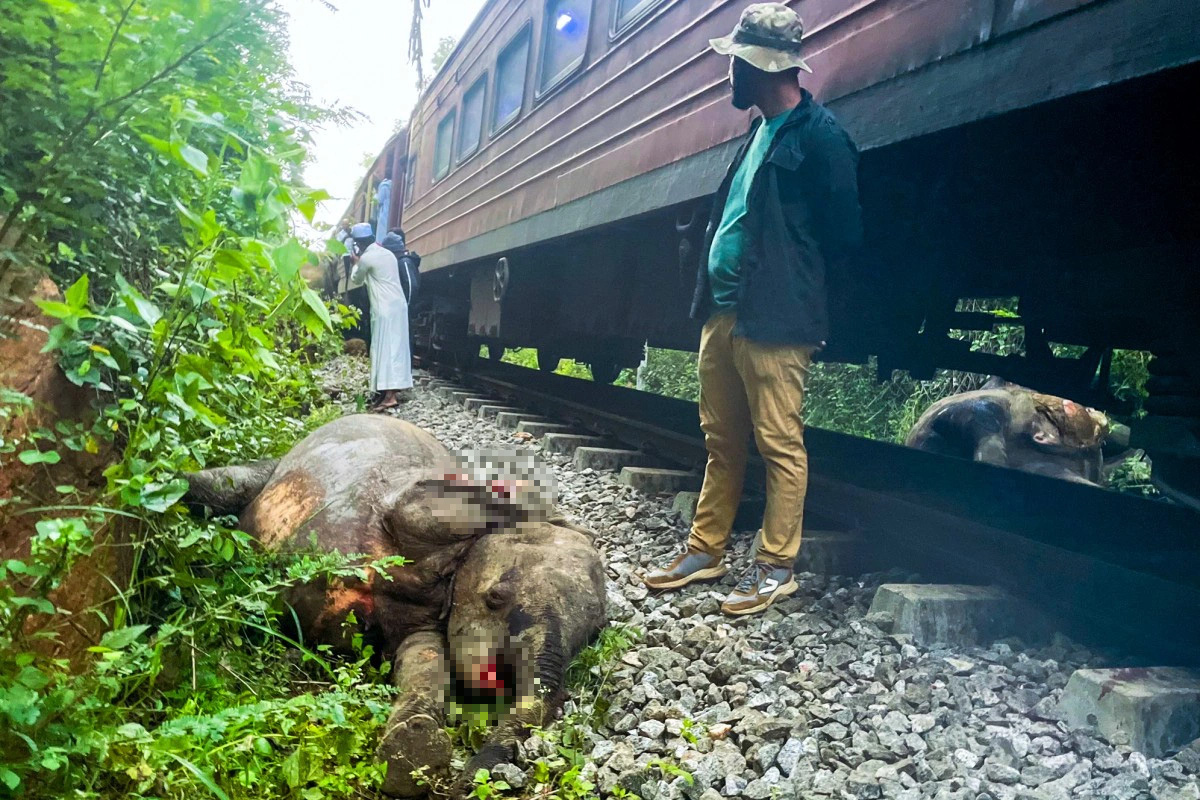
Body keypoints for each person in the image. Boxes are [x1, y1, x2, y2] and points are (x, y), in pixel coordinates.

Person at [642, 3, 863, 615]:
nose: (728, 75)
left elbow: (844, 240)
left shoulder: (822, 138)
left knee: (779, 442)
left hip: (777, 319)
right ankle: (706, 549)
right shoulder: (757, 133)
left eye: (734, 64)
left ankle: (775, 566)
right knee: (722, 438)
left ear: (761, 67)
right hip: (725, 311)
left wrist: (813, 317)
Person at [348, 221, 413, 411]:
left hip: (384, 309)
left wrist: (355, 264)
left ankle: (389, 396)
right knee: (396, 348)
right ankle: (388, 392)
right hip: (398, 307)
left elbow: (356, 279)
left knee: (384, 349)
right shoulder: (388, 254)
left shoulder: (367, 258)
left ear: (358, 244)